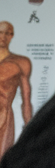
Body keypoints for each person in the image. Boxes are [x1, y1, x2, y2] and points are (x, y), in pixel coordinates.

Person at [0, 21, 31, 158]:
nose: (3, 36)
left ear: (12, 36)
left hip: (4, 118)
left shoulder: (21, 62)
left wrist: (30, 130)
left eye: (7, 33)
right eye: (0, 32)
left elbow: (26, 99)